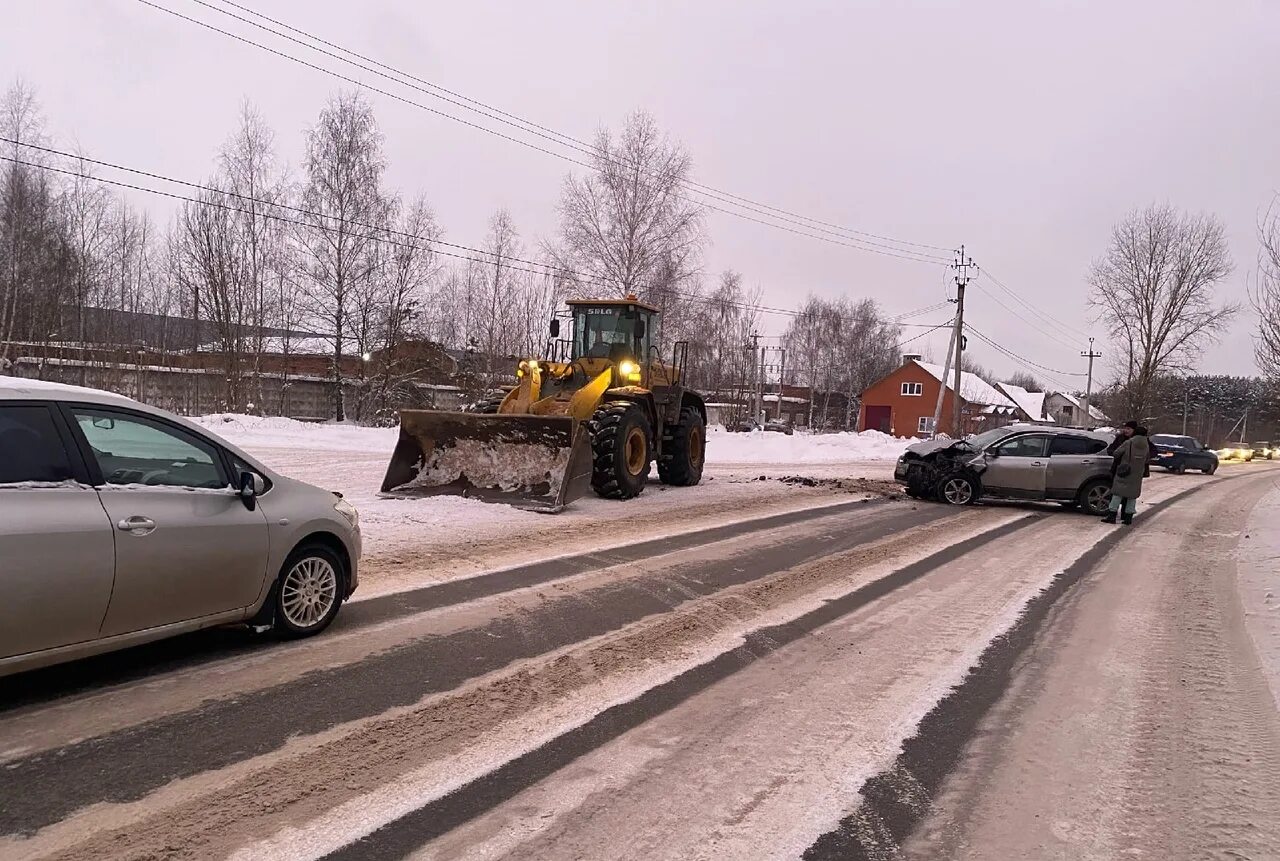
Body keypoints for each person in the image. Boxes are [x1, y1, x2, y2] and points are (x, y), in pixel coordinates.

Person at [1103, 424, 1150, 525]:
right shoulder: (1146, 445)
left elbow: (1116, 453)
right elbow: (1147, 459)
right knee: (1132, 496)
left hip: (1125, 471)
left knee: (1117, 493)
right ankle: (1128, 518)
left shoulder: (1129, 442)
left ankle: (1112, 516)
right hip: (1137, 473)